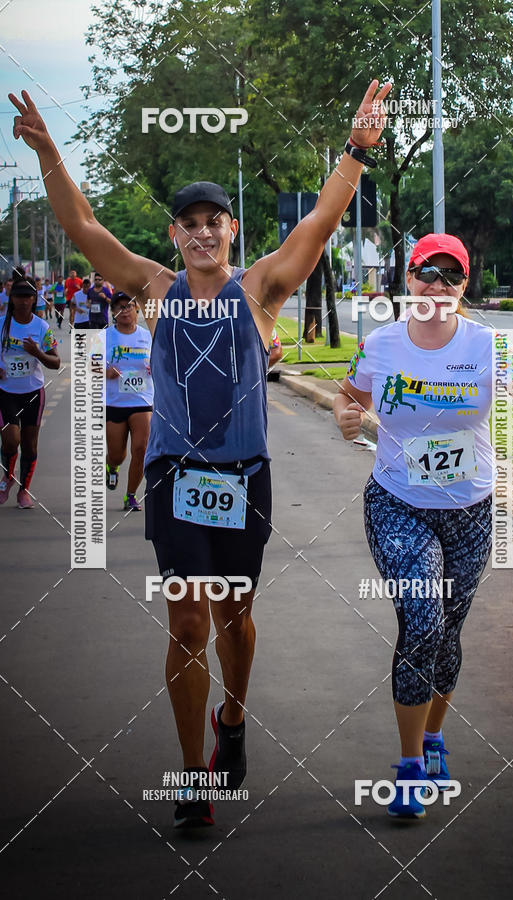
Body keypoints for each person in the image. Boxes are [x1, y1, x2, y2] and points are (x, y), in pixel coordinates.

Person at [10, 80, 392, 828]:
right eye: (189, 224)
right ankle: (194, 779)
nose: (202, 233)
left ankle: (235, 717)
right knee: (187, 621)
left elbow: (319, 222)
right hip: (175, 480)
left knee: (234, 617)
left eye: (213, 221)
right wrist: (51, 150)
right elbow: (84, 226)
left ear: (232, 228)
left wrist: (355, 150)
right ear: (177, 234)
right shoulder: (151, 289)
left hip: (246, 480)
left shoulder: (262, 290)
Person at [334, 233, 513, 819]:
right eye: (425, 273)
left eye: (450, 275)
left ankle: (435, 735)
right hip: (397, 502)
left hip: (470, 508)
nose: (435, 285)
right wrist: (347, 415)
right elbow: (350, 395)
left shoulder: (488, 346)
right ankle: (411, 765)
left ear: (464, 287)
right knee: (422, 618)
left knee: (449, 629)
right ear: (407, 281)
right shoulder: (382, 345)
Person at [0, 271, 60, 507]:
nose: (24, 301)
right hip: (6, 392)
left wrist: (37, 353)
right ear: (11, 298)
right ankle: (8, 476)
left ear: (34, 300)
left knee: (29, 444)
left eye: (28, 297)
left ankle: (24, 491)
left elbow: (55, 362)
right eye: (19, 297)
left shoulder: (42, 327)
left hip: (33, 392)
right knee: (10, 439)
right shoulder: (2, 324)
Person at [105, 292, 153, 511]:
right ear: (114, 312)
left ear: (137, 310)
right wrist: (105, 371)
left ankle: (131, 495)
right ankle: (111, 466)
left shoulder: (148, 336)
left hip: (142, 400)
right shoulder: (104, 337)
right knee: (117, 453)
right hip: (115, 402)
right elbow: (87, 365)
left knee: (141, 448)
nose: (124, 310)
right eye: (119, 307)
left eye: (129, 306)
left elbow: (163, 361)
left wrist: (156, 368)